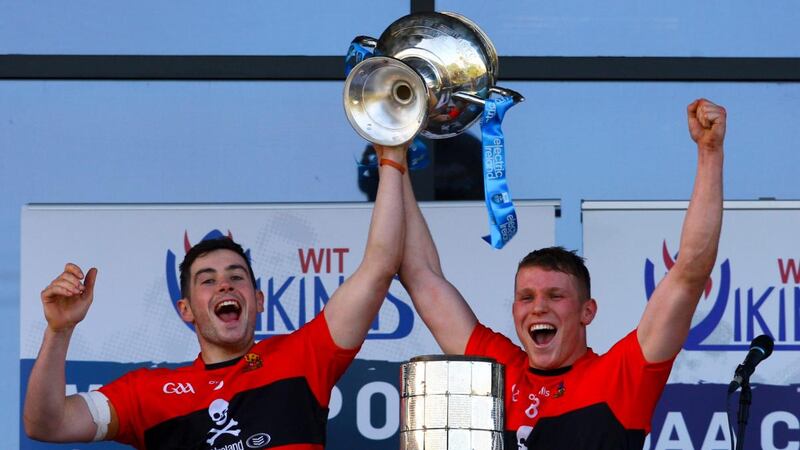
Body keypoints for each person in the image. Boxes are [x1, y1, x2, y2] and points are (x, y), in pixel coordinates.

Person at [23, 144, 409, 449]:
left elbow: (379, 267)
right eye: (207, 280)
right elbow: (46, 425)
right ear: (185, 310)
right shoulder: (146, 393)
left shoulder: (303, 356)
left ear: (258, 299)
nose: (225, 285)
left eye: (235, 276)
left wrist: (391, 156)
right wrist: (59, 331)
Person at [398, 99, 726, 449]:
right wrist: (394, 154)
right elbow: (421, 275)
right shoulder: (499, 371)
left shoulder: (620, 378)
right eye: (527, 297)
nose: (538, 308)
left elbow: (690, 272)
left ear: (588, 311)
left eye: (555, 296)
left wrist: (710, 153)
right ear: (514, 310)